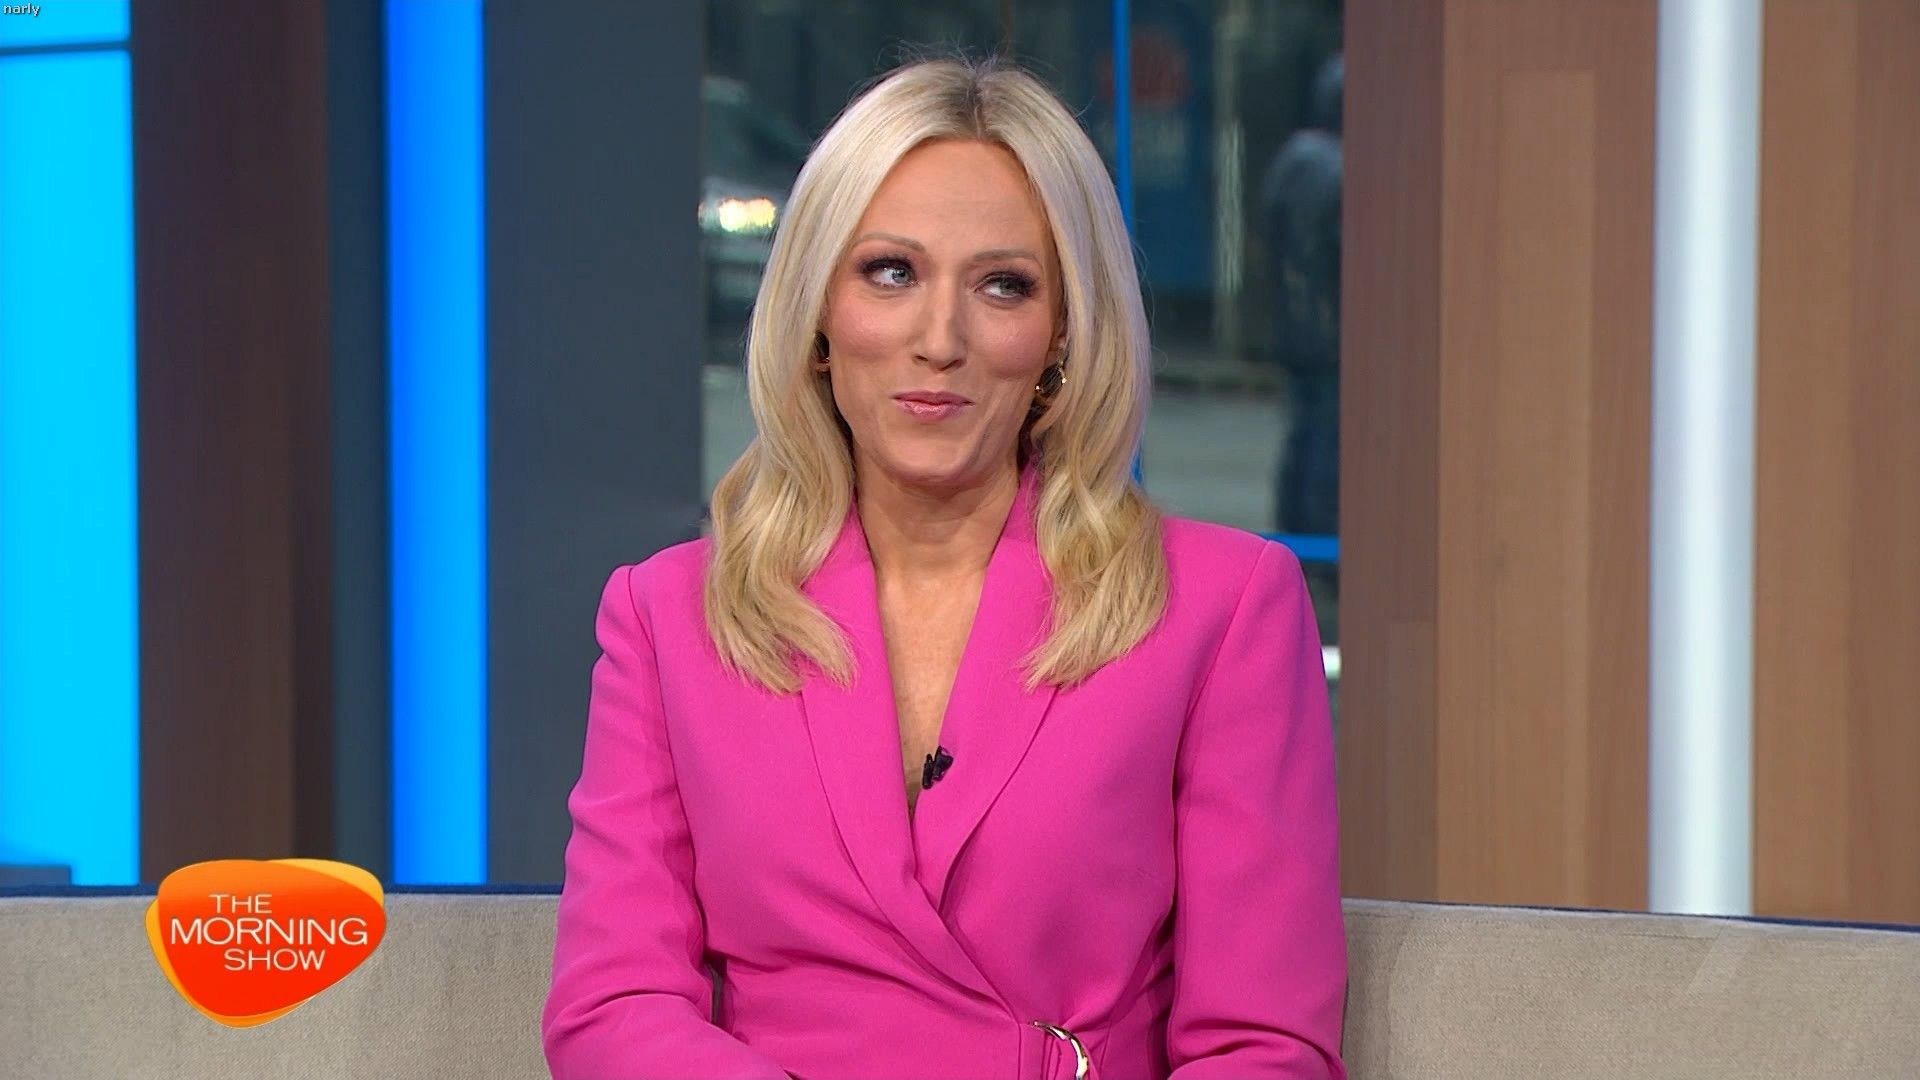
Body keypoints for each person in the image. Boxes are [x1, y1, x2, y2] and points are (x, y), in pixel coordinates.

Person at [541, 55, 1346, 1080]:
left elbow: (1261, 1047)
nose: (940, 339)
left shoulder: (1222, 611)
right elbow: (614, 1006)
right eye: (891, 273)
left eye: (1003, 286)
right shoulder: (668, 616)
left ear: (1061, 336)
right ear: (819, 316)